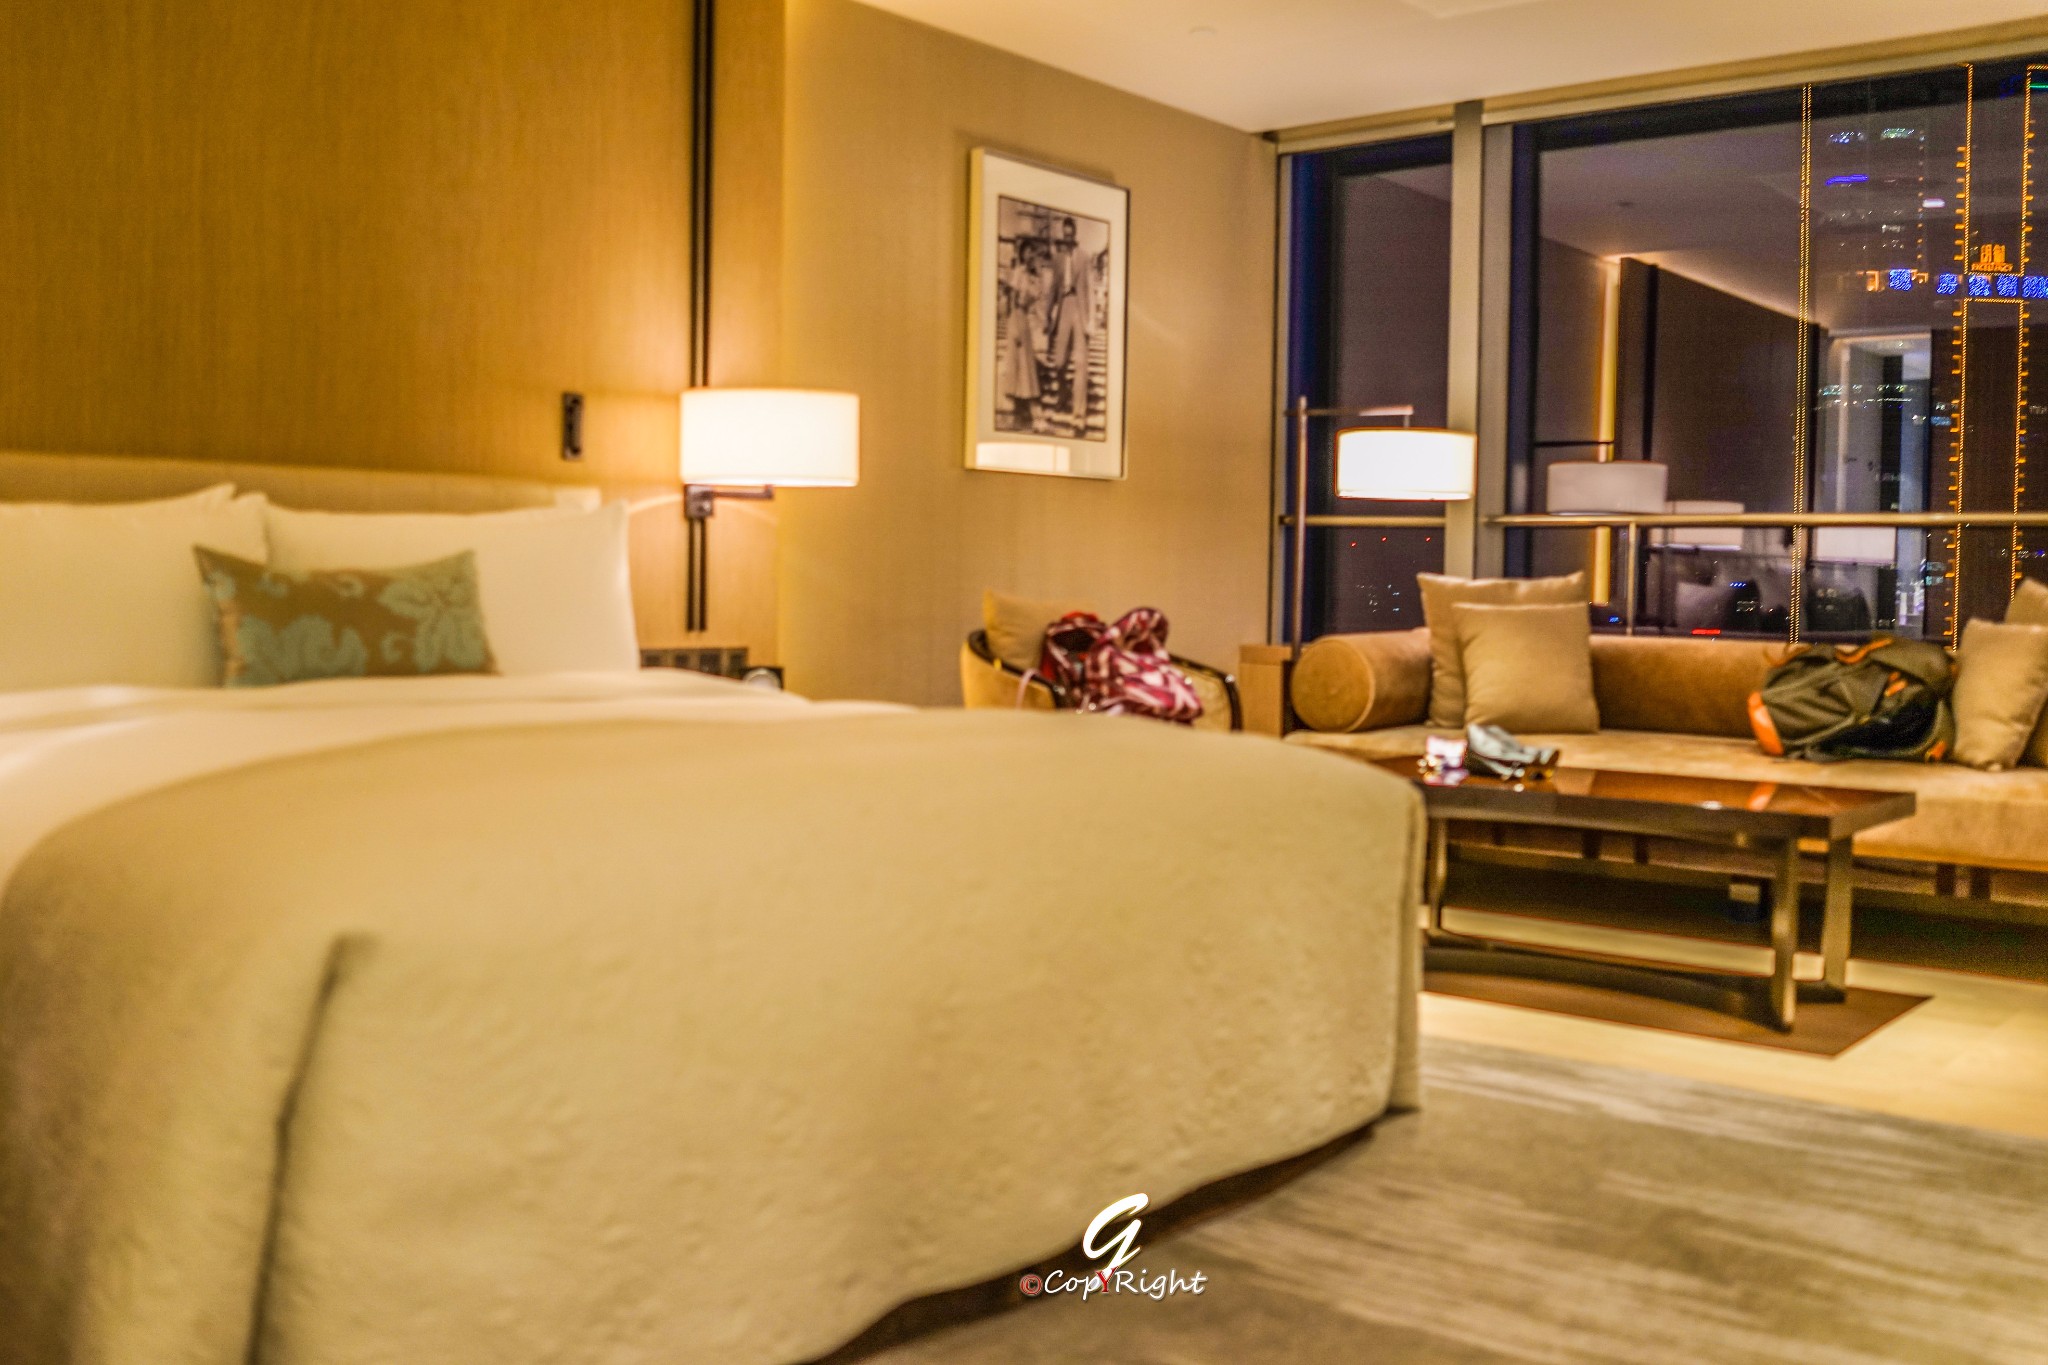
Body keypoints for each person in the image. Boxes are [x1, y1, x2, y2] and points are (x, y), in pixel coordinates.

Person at [1044, 217, 1097, 427]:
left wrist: (1091, 319)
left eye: (1070, 235)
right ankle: (1063, 394)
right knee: (1059, 362)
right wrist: (1047, 315)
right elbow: (1052, 290)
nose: (1067, 239)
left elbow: (1090, 289)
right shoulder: (1057, 260)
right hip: (1064, 307)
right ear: (1062, 236)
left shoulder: (1084, 257)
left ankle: (1078, 415)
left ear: (1074, 235)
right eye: (1064, 236)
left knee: (1081, 363)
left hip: (1080, 309)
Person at [996, 237, 1043, 429]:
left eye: (1032, 252)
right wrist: (1013, 327)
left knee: (1026, 362)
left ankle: (1025, 411)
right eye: (1027, 251)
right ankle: (1018, 412)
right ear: (1022, 254)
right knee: (1016, 361)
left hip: (1025, 318)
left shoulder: (1034, 276)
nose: (1030, 255)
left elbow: (1035, 297)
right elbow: (1013, 298)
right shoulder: (1018, 272)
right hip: (1016, 316)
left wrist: (1034, 281)